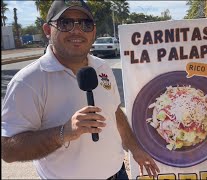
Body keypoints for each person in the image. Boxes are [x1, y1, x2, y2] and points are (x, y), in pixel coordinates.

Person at [1, 0, 160, 179]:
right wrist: (63, 132)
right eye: (65, 23)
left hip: (118, 174)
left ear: (93, 31)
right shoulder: (27, 81)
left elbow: (114, 111)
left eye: (85, 24)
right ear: (47, 30)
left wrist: (134, 147)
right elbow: (8, 150)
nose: (77, 30)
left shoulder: (102, 68)